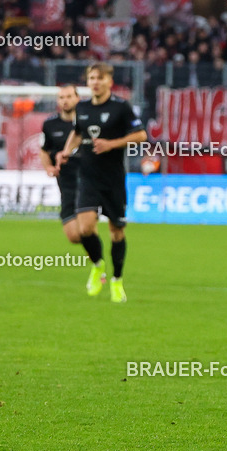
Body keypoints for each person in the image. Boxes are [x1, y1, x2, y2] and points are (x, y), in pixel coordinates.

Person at [56, 63, 147, 303]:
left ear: (109, 81)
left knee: (116, 231)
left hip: (113, 179)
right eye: (92, 78)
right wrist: (66, 151)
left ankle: (117, 280)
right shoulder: (83, 108)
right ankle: (98, 265)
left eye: (100, 78)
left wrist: (111, 144)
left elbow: (141, 135)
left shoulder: (121, 107)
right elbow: (77, 132)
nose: (95, 82)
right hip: (88, 177)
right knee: (84, 229)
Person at [39, 85, 82, 244]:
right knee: (74, 237)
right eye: (62, 97)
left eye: (69, 96)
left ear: (77, 98)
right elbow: (44, 150)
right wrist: (48, 167)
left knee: (87, 227)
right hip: (66, 184)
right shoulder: (50, 124)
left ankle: (98, 262)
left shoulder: (86, 122)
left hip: (87, 181)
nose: (65, 101)